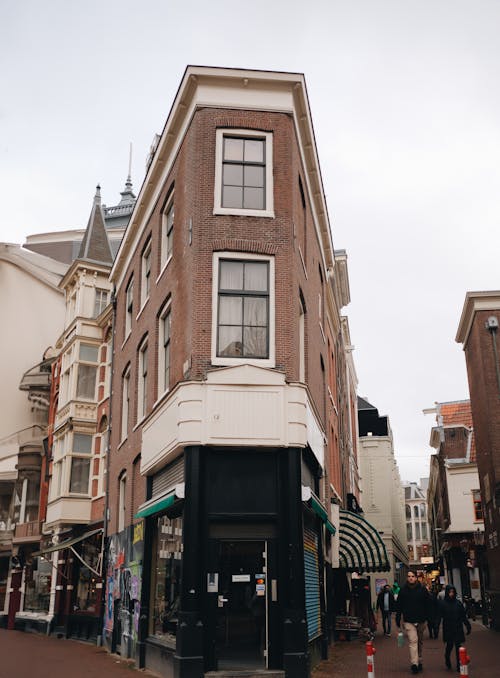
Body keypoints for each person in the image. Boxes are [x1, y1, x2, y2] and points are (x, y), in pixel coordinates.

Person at [396, 570, 430, 674]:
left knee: (419, 641)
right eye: (409, 576)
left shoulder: (422, 590)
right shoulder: (403, 590)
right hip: (409, 620)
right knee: (413, 640)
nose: (411, 578)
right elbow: (399, 606)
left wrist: (429, 617)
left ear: (416, 578)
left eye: (413, 576)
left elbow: (428, 604)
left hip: (421, 620)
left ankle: (419, 658)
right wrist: (398, 618)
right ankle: (414, 664)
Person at [437, 585, 471, 671]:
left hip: (457, 627)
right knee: (449, 645)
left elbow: (463, 615)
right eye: (450, 592)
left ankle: (459, 664)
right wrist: (436, 626)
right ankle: (447, 657)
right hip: (448, 627)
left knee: (458, 646)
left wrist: (467, 625)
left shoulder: (458, 603)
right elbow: (439, 616)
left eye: (453, 592)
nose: (451, 594)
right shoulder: (443, 604)